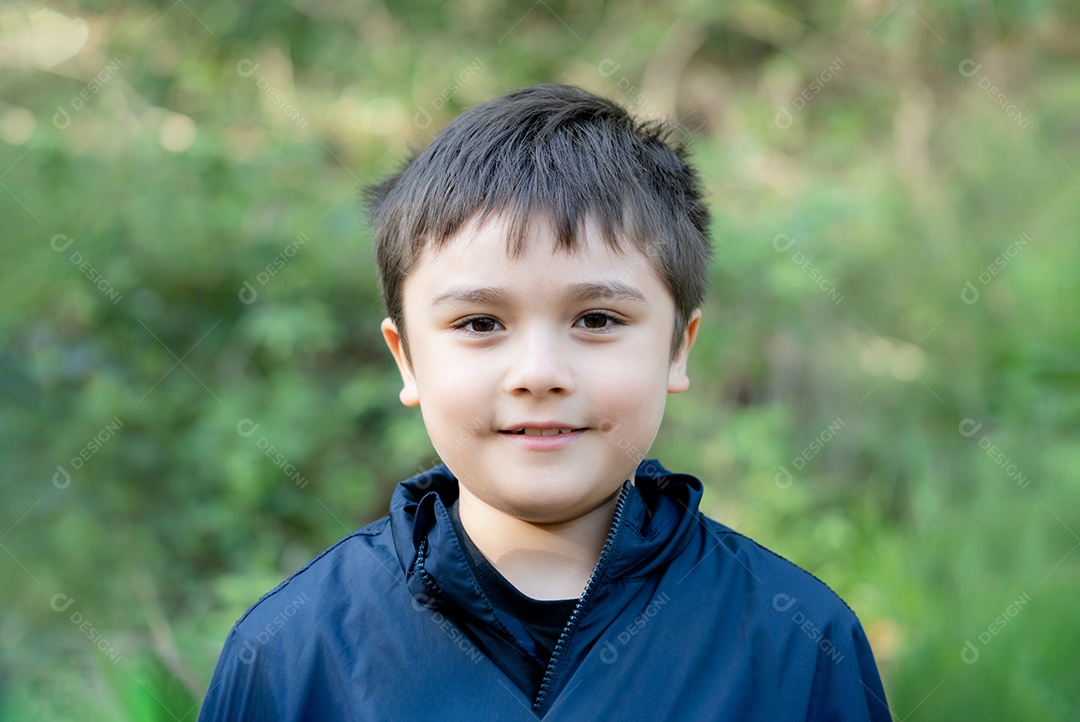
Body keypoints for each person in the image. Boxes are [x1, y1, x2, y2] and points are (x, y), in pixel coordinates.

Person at [199, 83, 891, 720]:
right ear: (406, 357)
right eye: (480, 324)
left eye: (597, 319)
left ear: (678, 347)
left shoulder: (796, 644)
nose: (539, 373)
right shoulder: (291, 656)